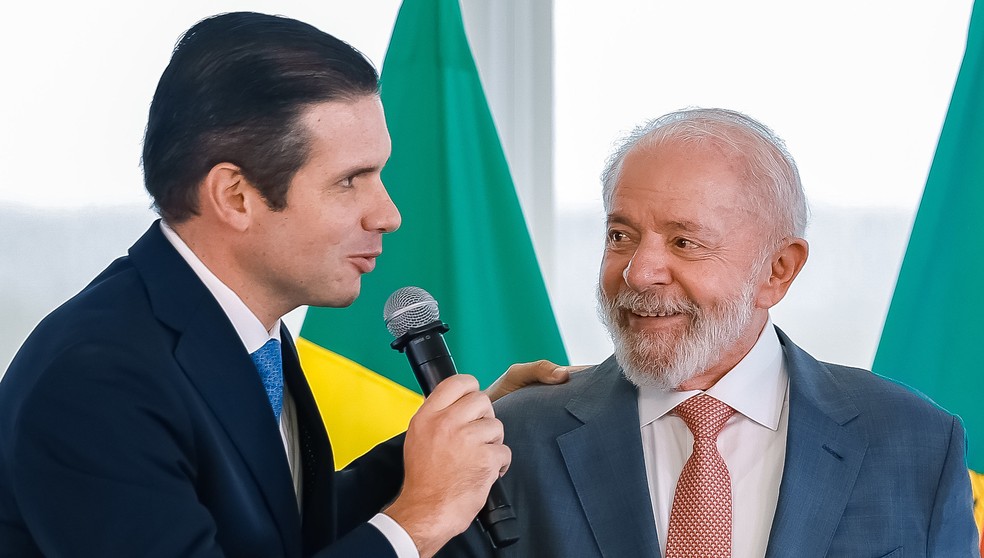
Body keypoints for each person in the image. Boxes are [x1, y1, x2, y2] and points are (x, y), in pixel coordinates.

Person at [0, 12, 569, 558]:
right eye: (350, 181)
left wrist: (451, 434)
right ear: (235, 197)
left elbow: (274, 530)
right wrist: (419, 521)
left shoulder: (247, 334)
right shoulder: (96, 379)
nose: (389, 214)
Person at [441, 108, 980, 557]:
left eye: (684, 242)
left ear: (778, 271)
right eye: (621, 234)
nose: (638, 272)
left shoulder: (917, 442)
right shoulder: (511, 439)